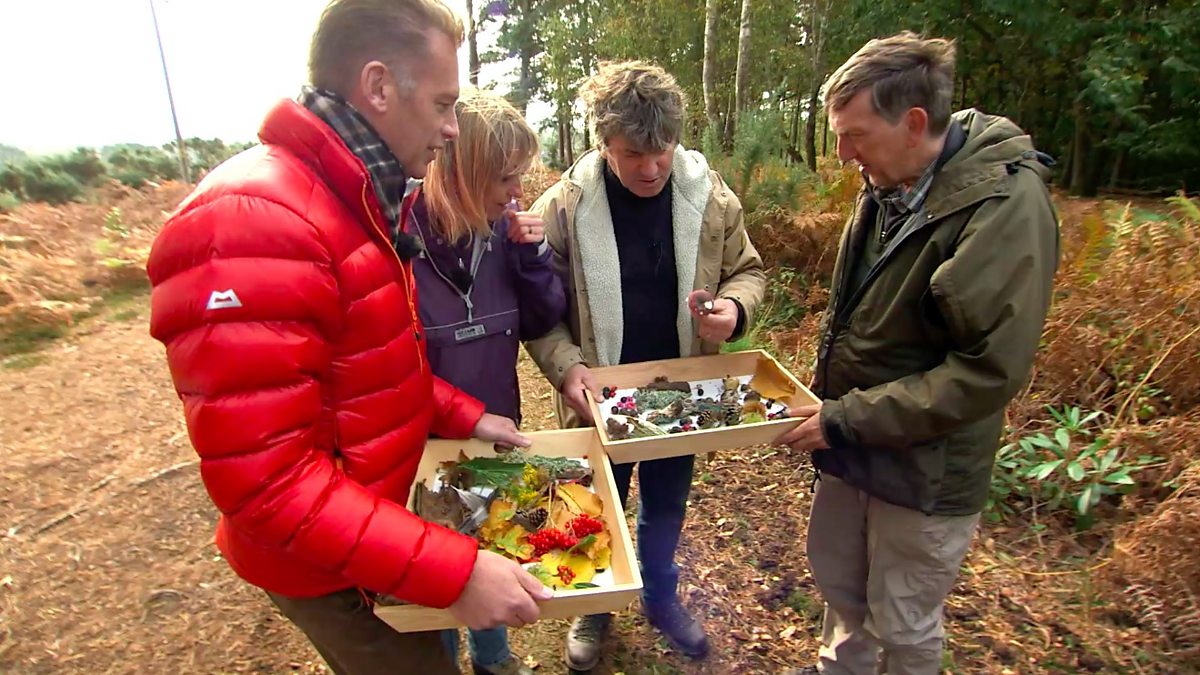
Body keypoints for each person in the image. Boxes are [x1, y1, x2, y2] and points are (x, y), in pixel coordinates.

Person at [146, 2, 552, 674]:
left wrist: (465, 415)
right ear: (379, 86)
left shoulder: (353, 200)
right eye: (443, 104)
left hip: (372, 531)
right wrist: (452, 569)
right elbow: (268, 483)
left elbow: (373, 368)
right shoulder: (253, 221)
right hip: (332, 568)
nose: (453, 128)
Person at [775, 32, 1059, 675]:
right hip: (853, 447)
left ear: (913, 122)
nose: (843, 154)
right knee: (844, 595)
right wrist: (838, 419)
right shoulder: (890, 178)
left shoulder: (1004, 207)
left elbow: (986, 372)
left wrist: (844, 419)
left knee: (903, 625)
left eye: (856, 135)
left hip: (922, 471)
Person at [525, 60, 767, 671]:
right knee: (595, 501)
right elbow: (537, 312)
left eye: (662, 151)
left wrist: (734, 310)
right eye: (633, 154)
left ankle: (660, 596)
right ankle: (594, 605)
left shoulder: (709, 197)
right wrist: (568, 368)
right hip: (596, 396)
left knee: (666, 502)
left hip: (680, 394)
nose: (652, 168)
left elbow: (747, 271)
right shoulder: (564, 209)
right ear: (603, 143)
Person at [410, 90, 565, 675]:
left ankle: (495, 660)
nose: (516, 192)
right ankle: (442, 662)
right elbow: (388, 367)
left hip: (495, 428)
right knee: (436, 563)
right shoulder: (399, 241)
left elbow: (543, 319)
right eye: (504, 178)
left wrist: (534, 256)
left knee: (492, 542)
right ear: (462, 172)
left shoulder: (505, 234)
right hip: (422, 449)